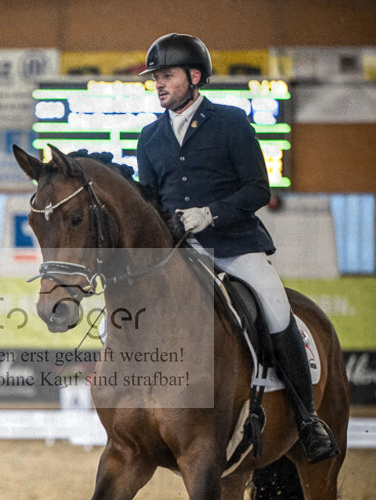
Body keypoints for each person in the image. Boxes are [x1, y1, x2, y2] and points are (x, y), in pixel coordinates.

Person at [136, 32, 338, 463]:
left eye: (167, 76)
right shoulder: (149, 137)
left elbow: (257, 190)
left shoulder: (231, 123)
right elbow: (149, 199)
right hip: (182, 253)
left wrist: (211, 213)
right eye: (155, 77)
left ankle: (307, 419)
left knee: (275, 305)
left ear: (194, 77)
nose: (159, 84)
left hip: (234, 245)